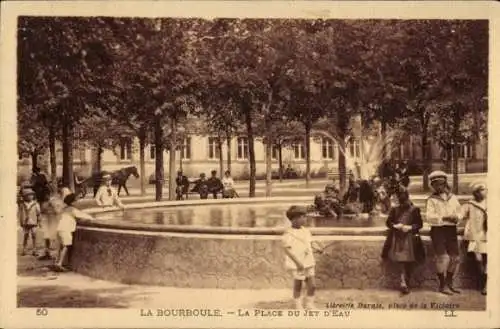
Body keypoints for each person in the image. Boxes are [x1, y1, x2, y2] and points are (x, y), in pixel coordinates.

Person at [382, 187, 425, 294]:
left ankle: (405, 281)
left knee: (409, 260)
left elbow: (419, 224)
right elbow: (388, 223)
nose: (402, 200)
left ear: (407, 197)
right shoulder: (395, 209)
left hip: (410, 238)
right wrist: (395, 226)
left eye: (403, 197)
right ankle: (403, 281)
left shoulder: (414, 209)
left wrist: (410, 227)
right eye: (400, 197)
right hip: (398, 238)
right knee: (402, 260)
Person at [426, 170, 463, 295]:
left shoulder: (453, 198)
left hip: (451, 230)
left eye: (440, 184)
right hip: (438, 230)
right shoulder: (432, 200)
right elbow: (429, 217)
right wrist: (445, 218)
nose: (438, 186)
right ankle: (442, 285)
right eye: (435, 184)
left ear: (445, 183)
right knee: (443, 257)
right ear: (432, 185)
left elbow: (460, 211)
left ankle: (449, 282)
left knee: (455, 258)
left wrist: (457, 217)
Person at [282, 205, 316, 309]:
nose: (305, 219)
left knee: (312, 285)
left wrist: (317, 248)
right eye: (303, 217)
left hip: (308, 261)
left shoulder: (306, 231)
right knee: (298, 284)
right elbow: (287, 250)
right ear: (295, 219)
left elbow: (310, 243)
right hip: (297, 263)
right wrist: (298, 263)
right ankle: (298, 304)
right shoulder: (288, 233)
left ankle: (309, 303)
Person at [54, 192, 94, 272]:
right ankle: (59, 263)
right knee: (66, 246)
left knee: (61, 246)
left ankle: (56, 261)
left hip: (59, 228)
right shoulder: (73, 210)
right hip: (66, 229)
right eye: (76, 200)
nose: (77, 202)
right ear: (72, 202)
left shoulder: (65, 209)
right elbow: (82, 215)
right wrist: (92, 218)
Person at [462, 182, 487, 295]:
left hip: (488, 234)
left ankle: (486, 285)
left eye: (485, 189)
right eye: (482, 189)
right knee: (478, 259)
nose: (485, 191)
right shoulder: (469, 204)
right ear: (476, 192)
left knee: (489, 260)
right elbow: (460, 215)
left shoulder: (491, 203)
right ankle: (484, 280)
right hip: (475, 236)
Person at [38, 185, 68, 260]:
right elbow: (43, 212)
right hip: (48, 220)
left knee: (54, 236)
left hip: (53, 220)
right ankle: (47, 252)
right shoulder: (47, 202)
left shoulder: (54, 201)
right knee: (47, 236)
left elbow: (58, 211)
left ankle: (54, 253)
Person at [18, 188, 41, 256]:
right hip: (25, 222)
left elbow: (38, 213)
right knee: (26, 235)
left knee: (34, 235)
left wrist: (39, 221)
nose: (30, 196)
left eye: (31, 195)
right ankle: (24, 249)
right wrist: (21, 221)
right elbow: (20, 213)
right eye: (28, 195)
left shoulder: (36, 204)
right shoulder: (22, 204)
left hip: (33, 222)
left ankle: (34, 250)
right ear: (25, 196)